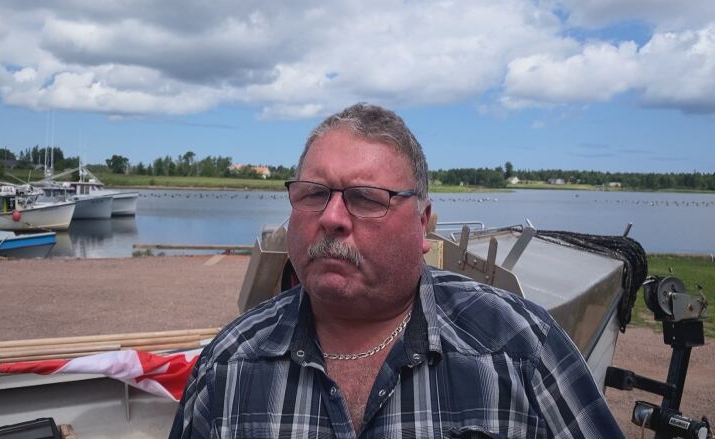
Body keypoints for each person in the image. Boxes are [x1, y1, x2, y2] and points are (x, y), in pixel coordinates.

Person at [169, 103, 623, 438]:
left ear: (423, 225)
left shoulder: (519, 349)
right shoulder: (230, 365)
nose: (331, 217)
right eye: (313, 193)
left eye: (366, 198)